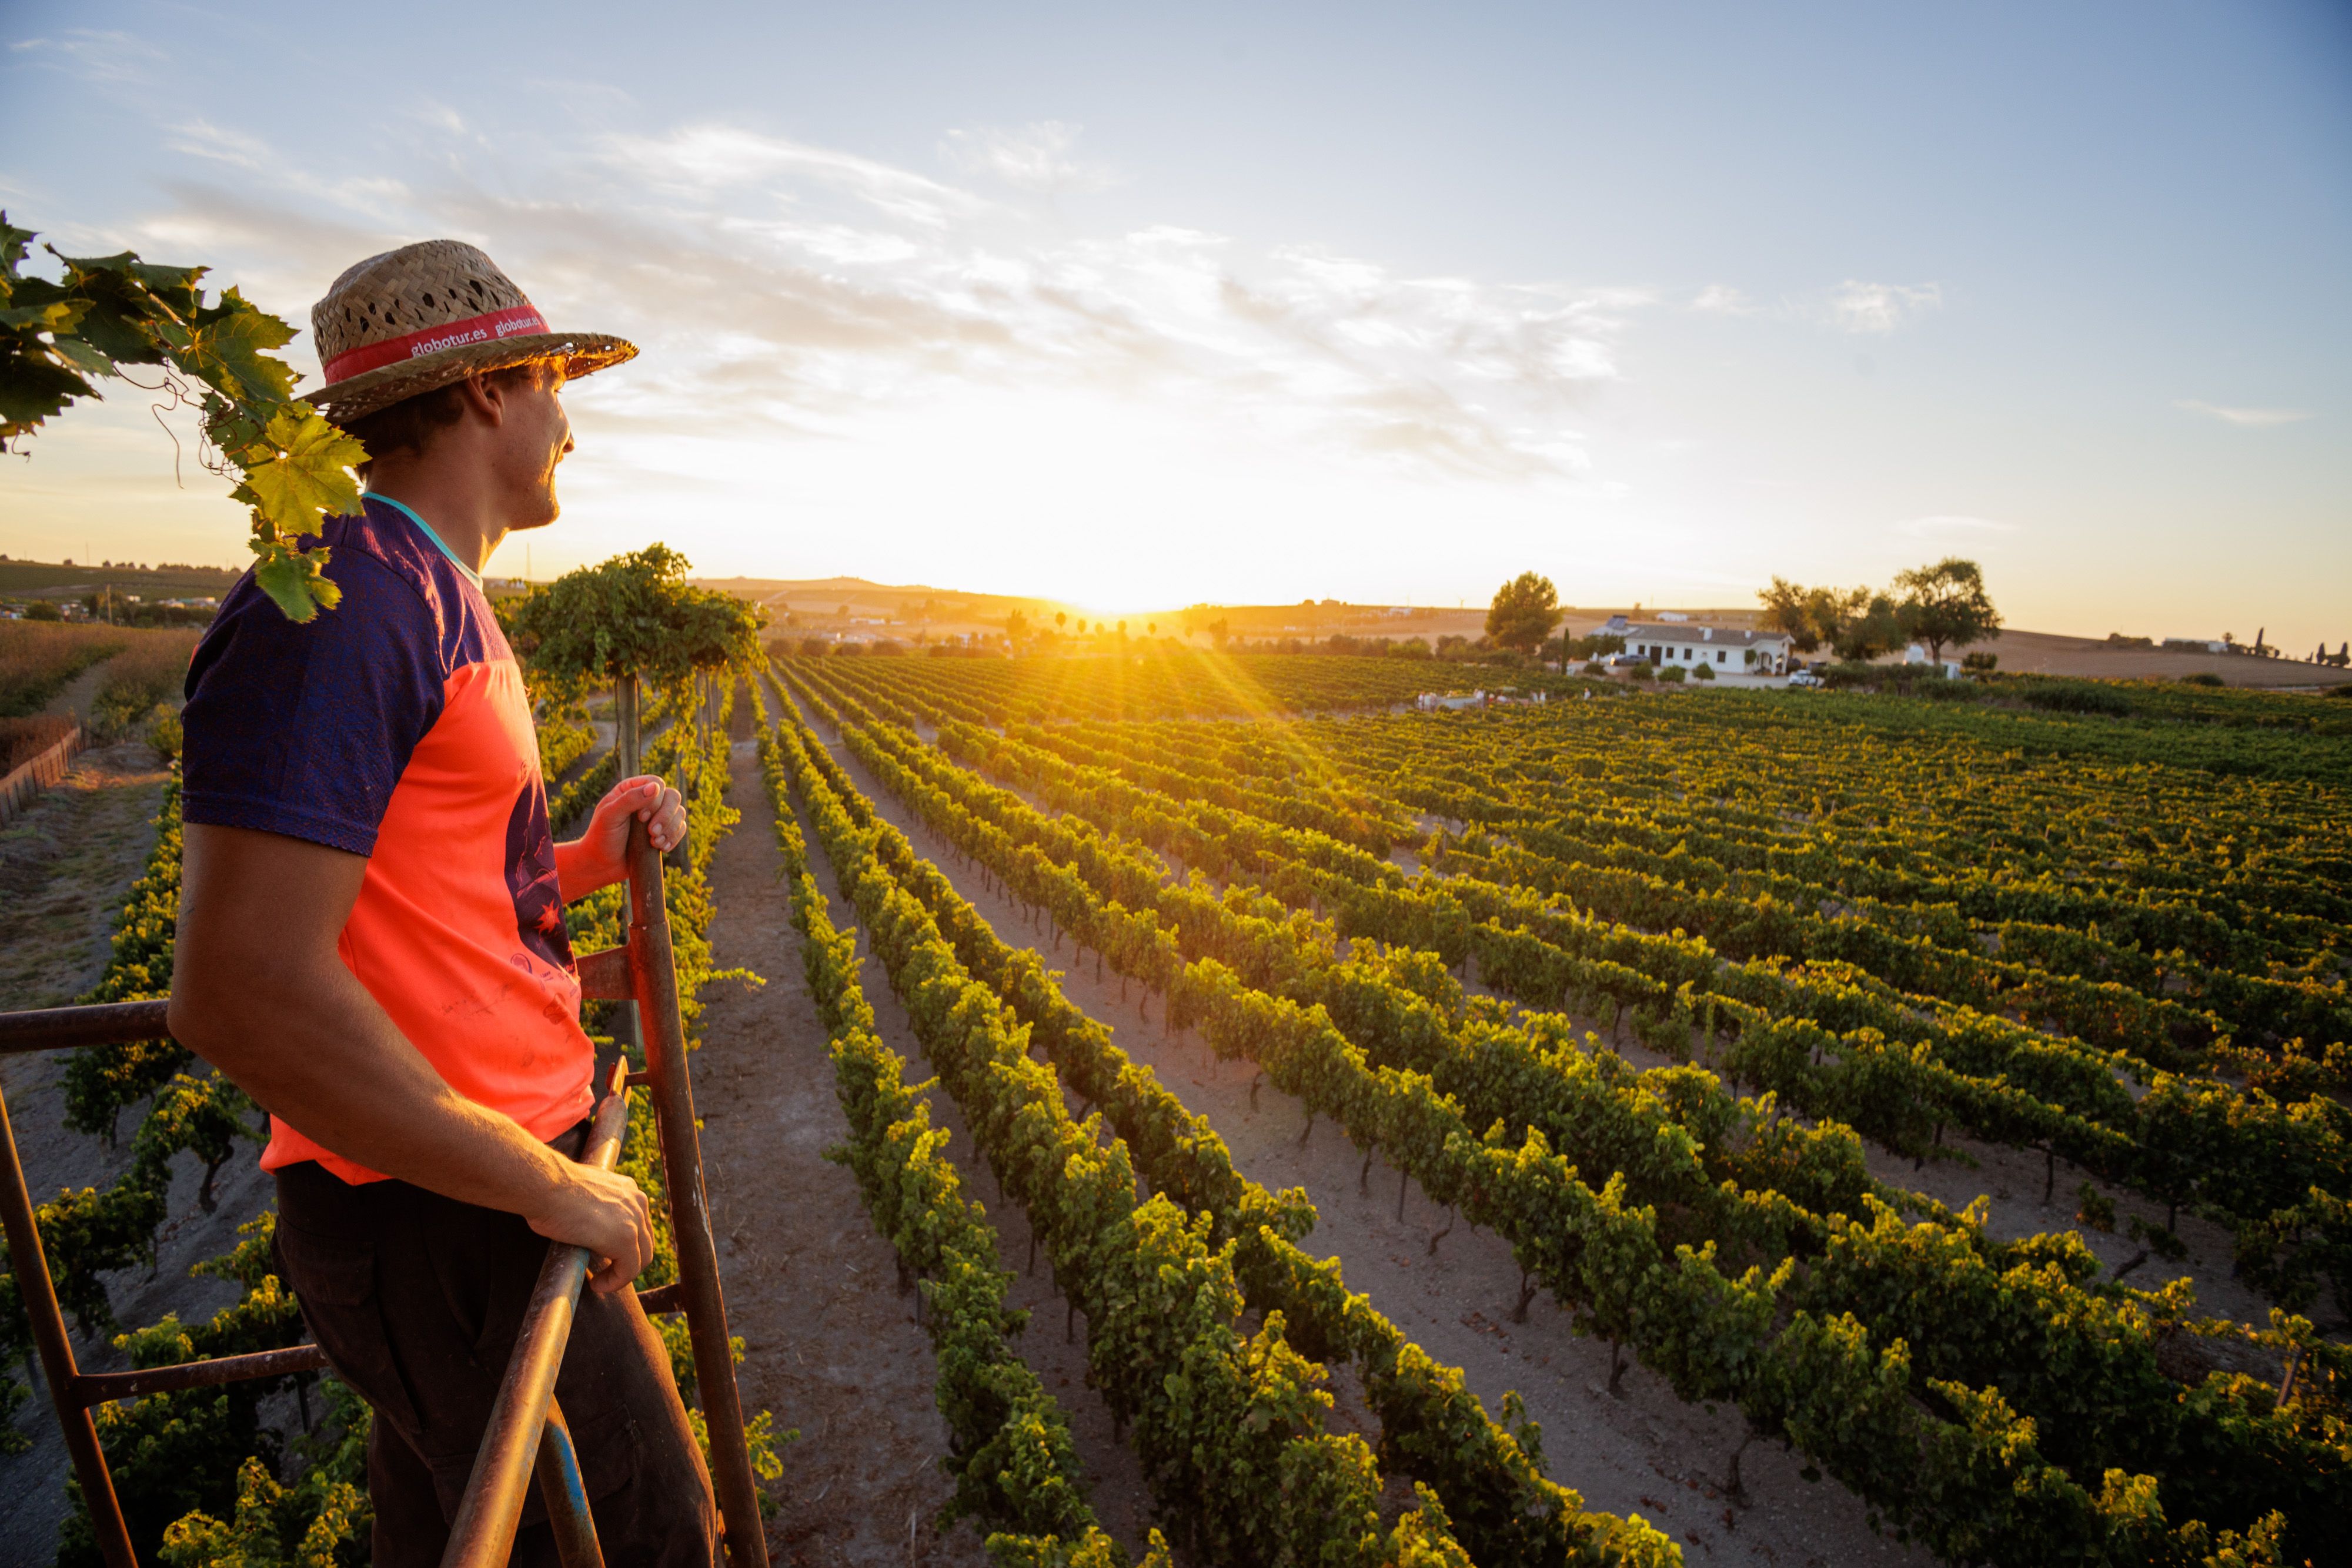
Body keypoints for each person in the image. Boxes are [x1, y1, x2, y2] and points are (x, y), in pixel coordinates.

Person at [168, 240, 721, 1567]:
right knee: (655, 1539)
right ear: (486, 393)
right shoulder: (348, 604)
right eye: (553, 385)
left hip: (461, 1191)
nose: (568, 425)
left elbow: (422, 890)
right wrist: (547, 1182)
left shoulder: (425, 591)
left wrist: (581, 852)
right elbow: (238, 984)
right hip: (443, 1211)